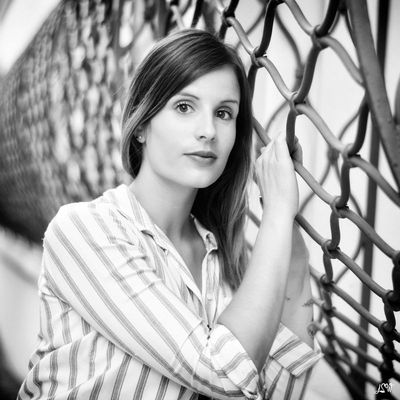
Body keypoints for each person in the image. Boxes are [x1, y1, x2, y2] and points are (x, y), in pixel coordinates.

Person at [18, 29, 321, 400]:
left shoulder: (231, 264)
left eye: (224, 113)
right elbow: (225, 374)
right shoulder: (86, 231)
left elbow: (271, 391)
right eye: (184, 107)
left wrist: (290, 239)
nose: (208, 131)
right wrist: (275, 213)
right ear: (141, 125)